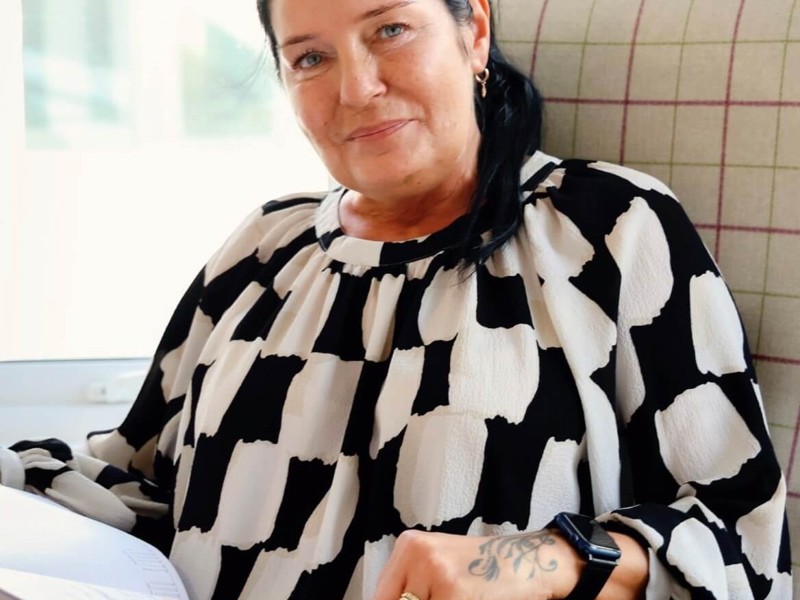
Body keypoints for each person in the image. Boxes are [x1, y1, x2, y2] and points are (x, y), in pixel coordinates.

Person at [0, 0, 792, 598]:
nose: (358, 88)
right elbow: (139, 487)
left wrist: (541, 562)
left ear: (473, 30)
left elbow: (739, 534)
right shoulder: (259, 248)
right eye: (310, 59)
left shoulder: (609, 228)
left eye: (389, 30)